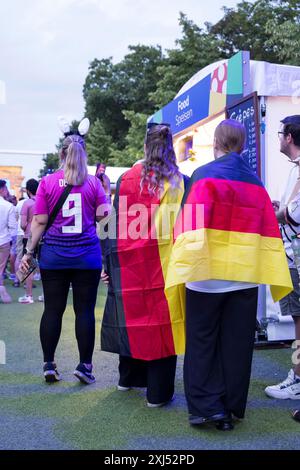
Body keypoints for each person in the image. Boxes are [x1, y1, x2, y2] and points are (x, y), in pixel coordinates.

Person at [165, 119, 292, 431]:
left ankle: (206, 408)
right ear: (243, 145)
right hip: (245, 274)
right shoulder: (255, 181)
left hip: (205, 275)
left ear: (216, 144)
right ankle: (231, 407)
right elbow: (267, 230)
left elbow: (188, 227)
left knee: (202, 340)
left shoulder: (202, 175)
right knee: (236, 344)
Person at [101, 123, 186, 407]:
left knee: (132, 319)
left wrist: (107, 263)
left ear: (145, 145)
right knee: (161, 324)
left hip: (129, 265)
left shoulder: (127, 178)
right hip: (165, 265)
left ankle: (128, 379)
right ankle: (157, 393)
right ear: (171, 146)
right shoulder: (178, 181)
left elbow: (111, 225)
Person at [20, 118, 109, 384]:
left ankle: (49, 364)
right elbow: (106, 217)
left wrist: (27, 251)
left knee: (53, 310)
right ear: (85, 155)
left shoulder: (47, 182)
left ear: (61, 154)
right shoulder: (93, 183)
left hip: (54, 256)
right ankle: (85, 367)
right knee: (84, 312)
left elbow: (40, 221)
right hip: (87, 257)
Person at [264, 115, 300, 405]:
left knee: (299, 320)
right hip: (293, 254)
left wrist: (277, 213)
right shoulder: (294, 169)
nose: (278, 138)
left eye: (280, 133)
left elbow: (295, 214)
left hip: (297, 257)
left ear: (289, 137)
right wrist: (282, 209)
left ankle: (298, 378)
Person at [18, 179, 39, 304]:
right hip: (43, 236)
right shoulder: (44, 202)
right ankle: (44, 296)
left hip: (29, 237)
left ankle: (29, 295)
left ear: (28, 190)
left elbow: (22, 224)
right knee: (44, 265)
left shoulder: (27, 203)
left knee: (28, 266)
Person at [0, 180, 17, 303]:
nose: (6, 191)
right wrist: (11, 241)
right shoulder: (8, 206)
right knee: (0, 269)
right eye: (5, 188)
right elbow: (12, 227)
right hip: (4, 240)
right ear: (1, 190)